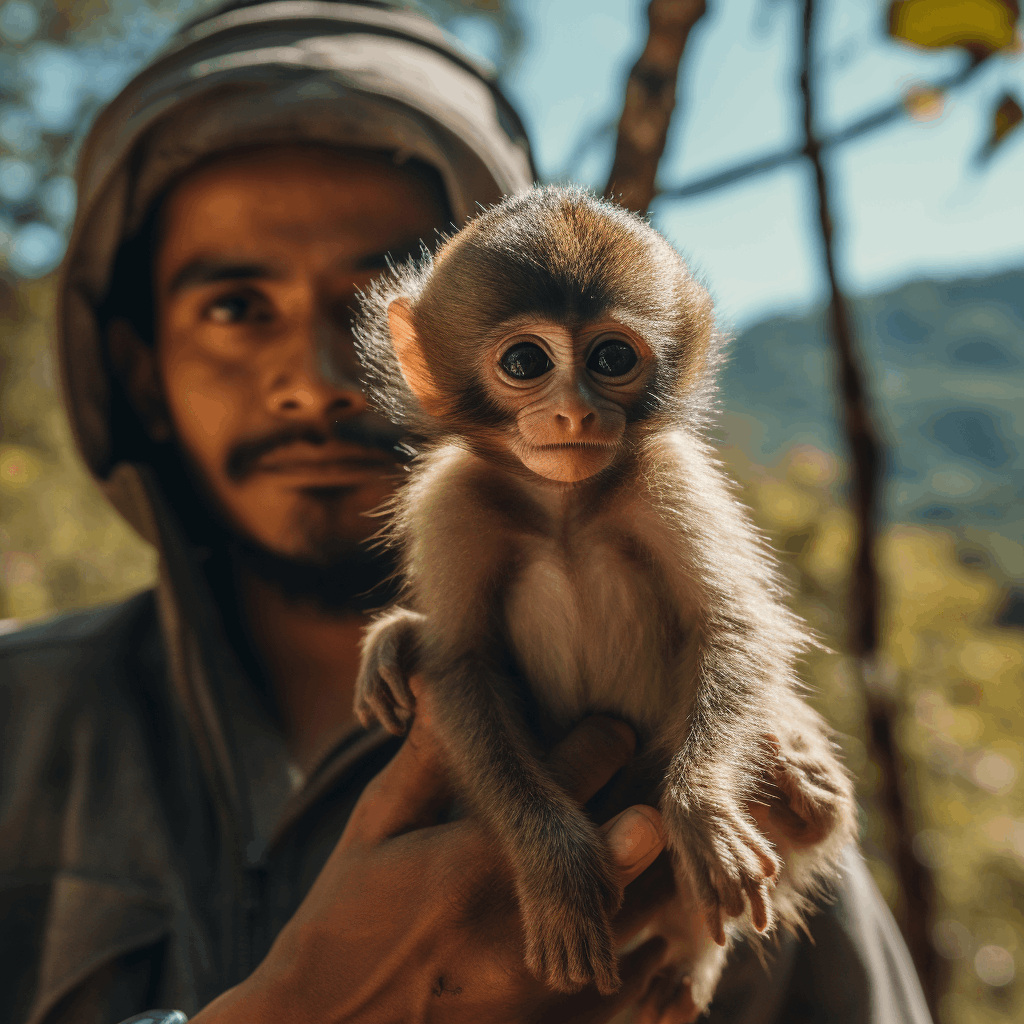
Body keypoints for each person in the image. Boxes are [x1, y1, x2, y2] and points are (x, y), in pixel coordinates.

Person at [0, 2, 934, 1023]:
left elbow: (737, 656)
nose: (313, 385)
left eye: (609, 358)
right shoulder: (25, 727)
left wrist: (704, 785)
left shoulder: (758, 775)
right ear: (421, 353)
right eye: (235, 306)